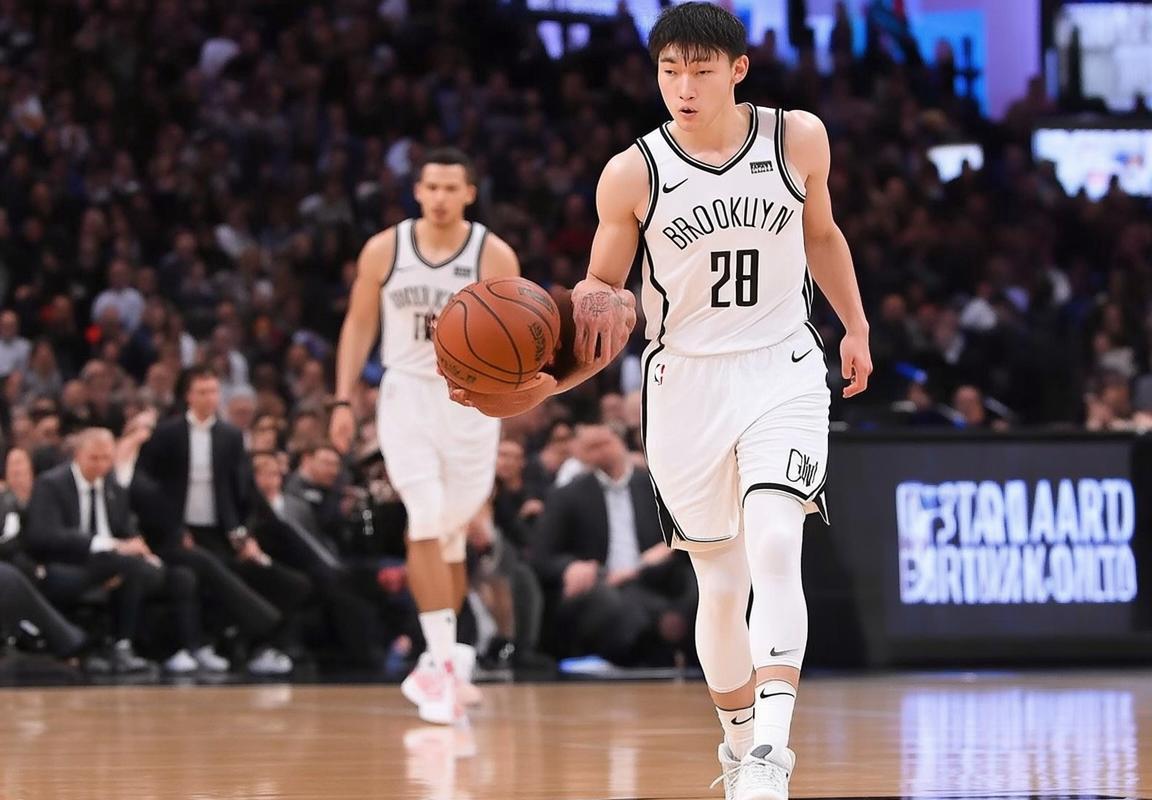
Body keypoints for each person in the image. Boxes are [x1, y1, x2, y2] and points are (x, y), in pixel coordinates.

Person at [448, 5, 872, 799]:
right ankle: (738, 746)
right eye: (669, 71)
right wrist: (548, 383)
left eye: (701, 71)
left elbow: (821, 235)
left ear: (738, 70)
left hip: (782, 367)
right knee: (721, 583)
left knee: (776, 541)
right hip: (684, 384)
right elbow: (602, 297)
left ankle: (771, 754)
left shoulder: (798, 138)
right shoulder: (632, 172)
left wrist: (855, 324)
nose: (683, 87)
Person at [329, 147, 520, 724]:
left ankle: (445, 657)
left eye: (450, 187)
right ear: (417, 191)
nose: (439, 197)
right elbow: (359, 323)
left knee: (454, 533)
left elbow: (519, 331)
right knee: (427, 516)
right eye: (431, 186)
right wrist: (343, 399)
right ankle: (439, 664)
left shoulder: (492, 253)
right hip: (407, 393)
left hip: (471, 401)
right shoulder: (384, 249)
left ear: (469, 193)